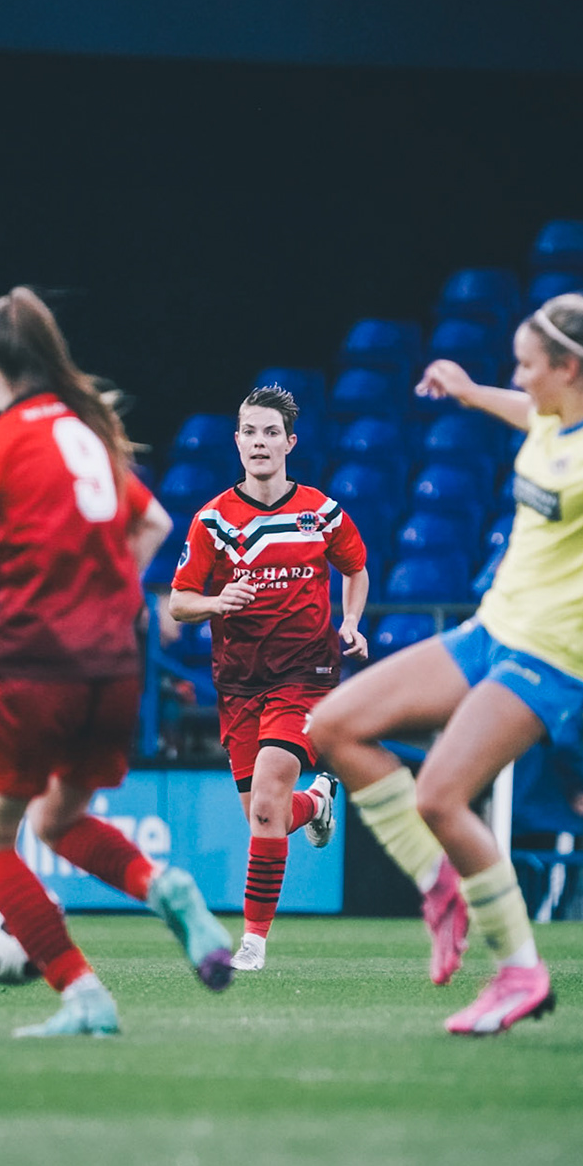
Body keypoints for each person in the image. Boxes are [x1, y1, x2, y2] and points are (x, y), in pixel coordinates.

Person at [309, 281, 583, 1035]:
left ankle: (522, 973)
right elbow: (526, 412)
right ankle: (440, 884)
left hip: (548, 653)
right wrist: (467, 392)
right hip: (491, 630)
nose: (519, 377)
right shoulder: (553, 416)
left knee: (439, 796)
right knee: (332, 726)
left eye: (527, 365)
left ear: (566, 368)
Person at [0, 286, 233, 1038]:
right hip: (115, 668)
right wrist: (112, 595)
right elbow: (155, 521)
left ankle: (84, 996)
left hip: (33, 666)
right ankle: (167, 888)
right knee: (58, 819)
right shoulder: (89, 436)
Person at [168, 383, 367, 972]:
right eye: (250, 432)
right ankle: (318, 801)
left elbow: (356, 568)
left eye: (271, 433)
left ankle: (252, 944)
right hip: (239, 685)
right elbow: (179, 602)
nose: (260, 442)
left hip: (306, 676)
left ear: (289, 443)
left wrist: (351, 621)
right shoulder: (212, 521)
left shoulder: (320, 512)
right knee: (267, 817)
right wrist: (216, 602)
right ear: (237, 442)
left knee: (265, 805)